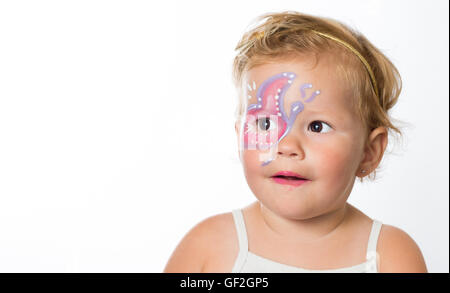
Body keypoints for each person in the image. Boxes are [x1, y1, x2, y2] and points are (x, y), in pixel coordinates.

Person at [163, 11, 427, 273]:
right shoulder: (209, 247)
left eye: (317, 126)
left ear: (369, 152)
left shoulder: (390, 256)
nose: (287, 146)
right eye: (265, 123)